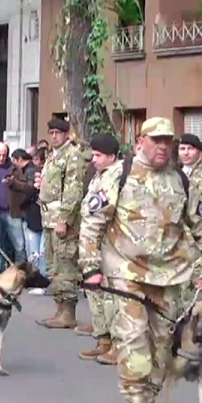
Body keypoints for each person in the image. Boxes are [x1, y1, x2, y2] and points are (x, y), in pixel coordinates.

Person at [79, 117, 202, 403]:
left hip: (169, 278)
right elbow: (92, 223)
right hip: (126, 273)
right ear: (140, 140)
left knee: (160, 347)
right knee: (132, 340)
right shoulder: (118, 176)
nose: (163, 147)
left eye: (167, 141)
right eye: (156, 140)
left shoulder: (180, 181)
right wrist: (90, 268)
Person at [36, 117, 87, 329]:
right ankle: (59, 309)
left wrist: (64, 219)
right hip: (48, 217)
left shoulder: (72, 155)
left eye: (58, 133)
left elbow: (73, 190)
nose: (54, 136)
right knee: (52, 266)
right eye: (52, 133)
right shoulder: (53, 156)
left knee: (65, 265)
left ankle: (68, 313)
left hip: (61, 219)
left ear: (67, 134)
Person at [78, 133, 120, 362]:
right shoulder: (99, 176)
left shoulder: (116, 177)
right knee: (97, 296)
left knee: (112, 297)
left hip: (110, 247)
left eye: (98, 155)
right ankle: (103, 339)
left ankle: (116, 343)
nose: (93, 159)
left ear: (111, 156)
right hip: (95, 246)